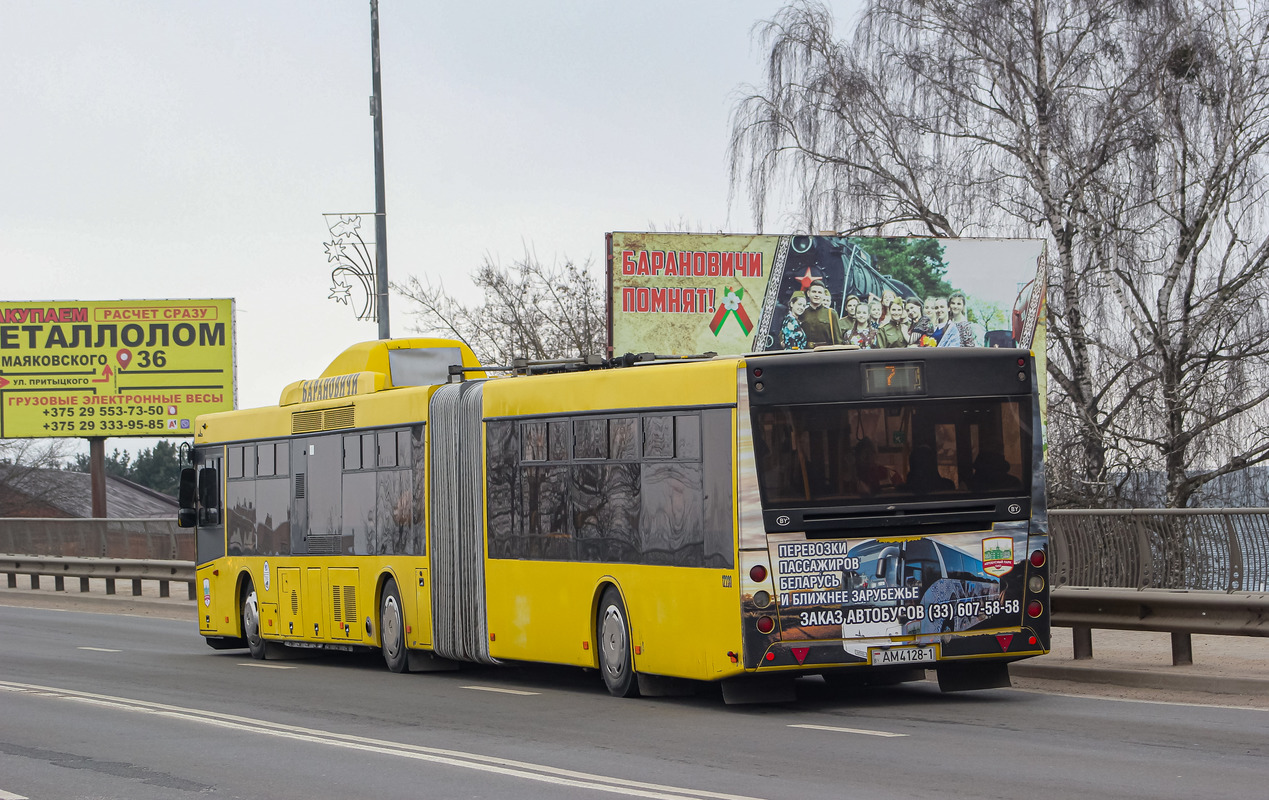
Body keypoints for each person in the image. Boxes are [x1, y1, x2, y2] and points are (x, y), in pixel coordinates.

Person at [800, 281, 842, 347]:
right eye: (814, 292)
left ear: (823, 295)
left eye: (820, 292)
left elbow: (838, 339)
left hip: (825, 353)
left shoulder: (831, 313)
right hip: (806, 352)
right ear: (808, 293)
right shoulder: (802, 312)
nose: (816, 295)